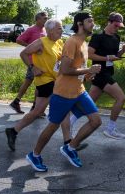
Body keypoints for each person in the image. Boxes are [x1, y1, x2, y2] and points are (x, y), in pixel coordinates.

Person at [26, 12, 102, 172]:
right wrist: (88, 69)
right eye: (90, 21)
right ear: (80, 24)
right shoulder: (72, 42)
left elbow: (78, 68)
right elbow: (65, 69)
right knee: (52, 126)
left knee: (96, 121)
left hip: (79, 91)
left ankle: (71, 147)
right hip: (63, 92)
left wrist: (88, 74)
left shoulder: (83, 43)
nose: (93, 24)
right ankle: (35, 154)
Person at [5, 19, 71, 151]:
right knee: (63, 108)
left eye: (62, 28)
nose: (62, 30)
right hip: (45, 80)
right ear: (50, 30)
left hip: (56, 79)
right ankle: (68, 142)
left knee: (38, 111)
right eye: (59, 28)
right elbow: (23, 53)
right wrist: (32, 67)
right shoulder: (41, 42)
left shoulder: (59, 42)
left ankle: (13, 131)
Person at [70, 12, 125, 139]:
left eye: (119, 26)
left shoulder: (116, 38)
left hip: (107, 72)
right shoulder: (98, 37)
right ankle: (110, 129)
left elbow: (114, 57)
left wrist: (122, 52)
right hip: (99, 72)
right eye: (115, 25)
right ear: (109, 22)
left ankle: (69, 122)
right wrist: (107, 57)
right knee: (121, 98)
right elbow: (90, 55)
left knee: (89, 102)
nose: (117, 28)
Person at [10, 12, 48, 114]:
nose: (46, 20)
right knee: (31, 82)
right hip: (32, 61)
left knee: (36, 83)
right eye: (44, 18)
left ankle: (28, 105)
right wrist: (31, 48)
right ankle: (31, 106)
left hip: (41, 61)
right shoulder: (31, 29)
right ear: (38, 19)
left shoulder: (44, 30)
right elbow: (18, 40)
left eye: (47, 18)